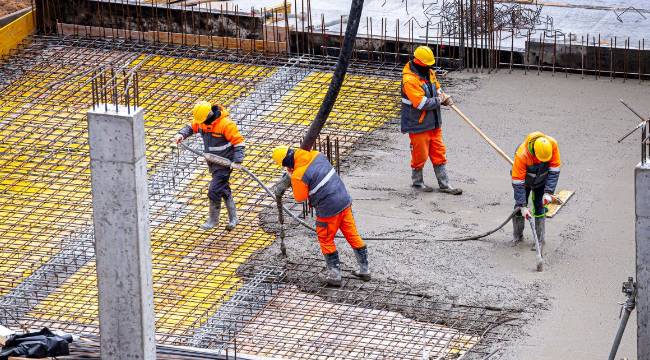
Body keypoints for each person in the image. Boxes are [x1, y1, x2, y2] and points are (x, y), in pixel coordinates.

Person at [272, 146, 370, 287]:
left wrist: (292, 178)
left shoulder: (299, 175)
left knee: (326, 239)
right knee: (352, 234)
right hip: (344, 200)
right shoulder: (316, 155)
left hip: (328, 210)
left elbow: (300, 197)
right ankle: (365, 270)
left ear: (286, 163)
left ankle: (335, 276)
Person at [174, 101, 245, 231]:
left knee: (214, 190)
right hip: (213, 162)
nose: (201, 123)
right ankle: (233, 218)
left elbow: (238, 142)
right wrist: (181, 134)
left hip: (224, 163)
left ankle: (213, 220)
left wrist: (237, 161)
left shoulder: (225, 124)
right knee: (223, 189)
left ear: (210, 114)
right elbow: (191, 127)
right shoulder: (202, 122)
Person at [401, 45, 462, 195]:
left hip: (434, 123)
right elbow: (421, 103)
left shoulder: (429, 73)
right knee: (419, 155)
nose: (430, 68)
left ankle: (445, 184)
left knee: (439, 153)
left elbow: (438, 88)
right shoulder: (409, 81)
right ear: (419, 62)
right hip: (418, 125)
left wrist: (445, 97)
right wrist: (439, 100)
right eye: (428, 65)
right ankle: (417, 182)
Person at [511, 131, 561, 252]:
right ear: (534, 152)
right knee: (518, 209)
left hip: (542, 181)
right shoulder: (522, 154)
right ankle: (517, 236)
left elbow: (554, 171)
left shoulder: (552, 145)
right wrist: (522, 205)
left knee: (539, 207)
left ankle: (539, 240)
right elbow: (518, 182)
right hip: (524, 182)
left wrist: (548, 192)